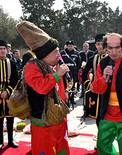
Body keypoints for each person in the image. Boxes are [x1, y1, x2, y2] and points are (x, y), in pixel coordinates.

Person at [16, 20, 70, 155]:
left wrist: (66, 90)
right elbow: (41, 88)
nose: (59, 55)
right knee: (44, 151)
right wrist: (57, 75)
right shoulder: (31, 67)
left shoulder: (57, 64)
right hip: (43, 123)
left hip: (59, 120)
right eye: (56, 52)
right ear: (45, 56)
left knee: (62, 150)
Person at [81, 33, 106, 124]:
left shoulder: (111, 58)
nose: (100, 46)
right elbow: (84, 74)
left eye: (102, 44)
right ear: (95, 45)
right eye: (98, 44)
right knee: (98, 117)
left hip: (108, 91)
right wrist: (88, 85)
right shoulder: (92, 58)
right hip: (96, 91)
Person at [0, 40, 18, 149]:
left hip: (9, 93)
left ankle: (11, 141)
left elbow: (15, 79)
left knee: (10, 119)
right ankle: (0, 141)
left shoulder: (11, 62)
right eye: (0, 49)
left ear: (7, 50)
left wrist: (7, 91)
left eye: (4, 48)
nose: (2, 51)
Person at [60, 40, 81, 105]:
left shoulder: (76, 53)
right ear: (66, 46)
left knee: (72, 86)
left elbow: (79, 63)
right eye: (69, 46)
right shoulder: (62, 53)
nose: (70, 47)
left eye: (71, 46)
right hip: (65, 72)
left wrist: (77, 70)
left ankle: (72, 99)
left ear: (73, 46)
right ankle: (66, 100)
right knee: (65, 85)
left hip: (74, 71)